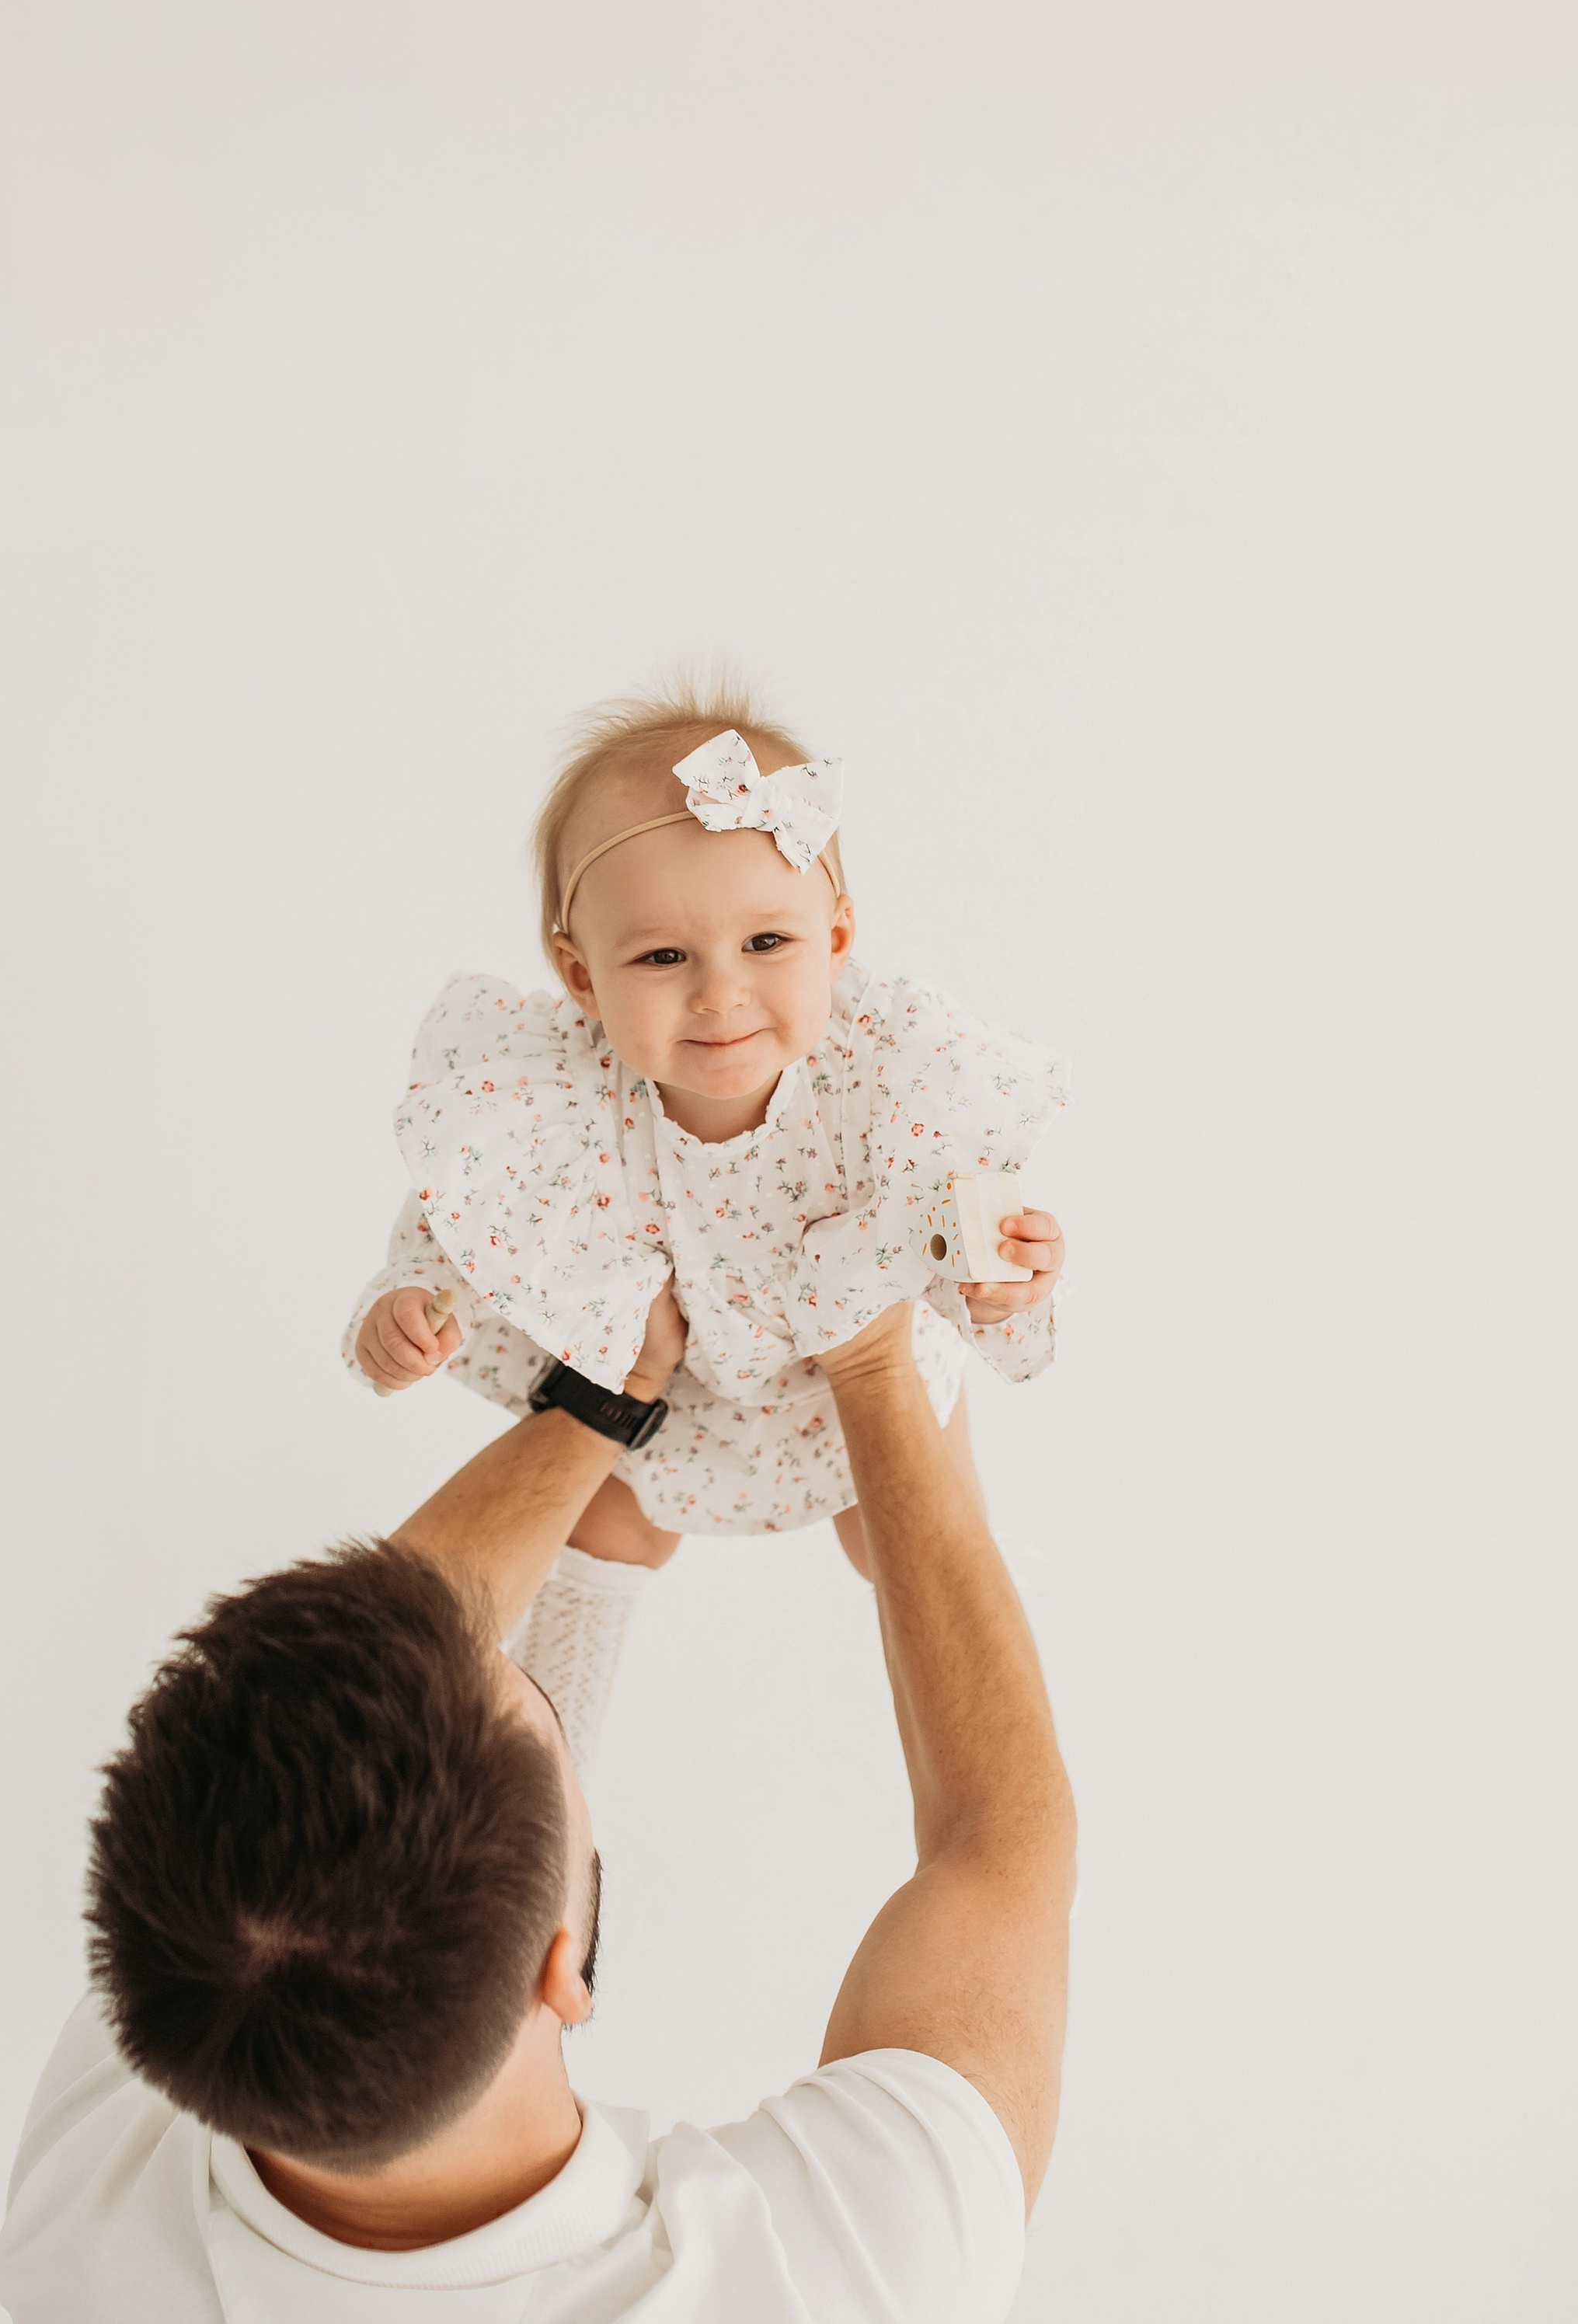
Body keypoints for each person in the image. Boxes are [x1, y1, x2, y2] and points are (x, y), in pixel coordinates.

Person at [0, 1278, 1077, 2324]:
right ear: (564, 1969)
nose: (510, 1649)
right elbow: (1001, 1847)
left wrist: (598, 1417)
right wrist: (880, 1387)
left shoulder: (97, 2202)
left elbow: (356, 1705)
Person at [344, 675, 1067, 1765]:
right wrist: (404, 1306)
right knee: (607, 1521)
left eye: (767, 943)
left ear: (837, 935)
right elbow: (466, 1221)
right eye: (663, 958)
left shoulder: (889, 1075)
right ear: (581, 975)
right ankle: (549, 1773)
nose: (721, 995)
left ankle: (993, 1724)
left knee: (913, 1535)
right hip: (672, 1390)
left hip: (848, 1373)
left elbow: (963, 1221)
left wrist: (1007, 1278)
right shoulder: (560, 1093)